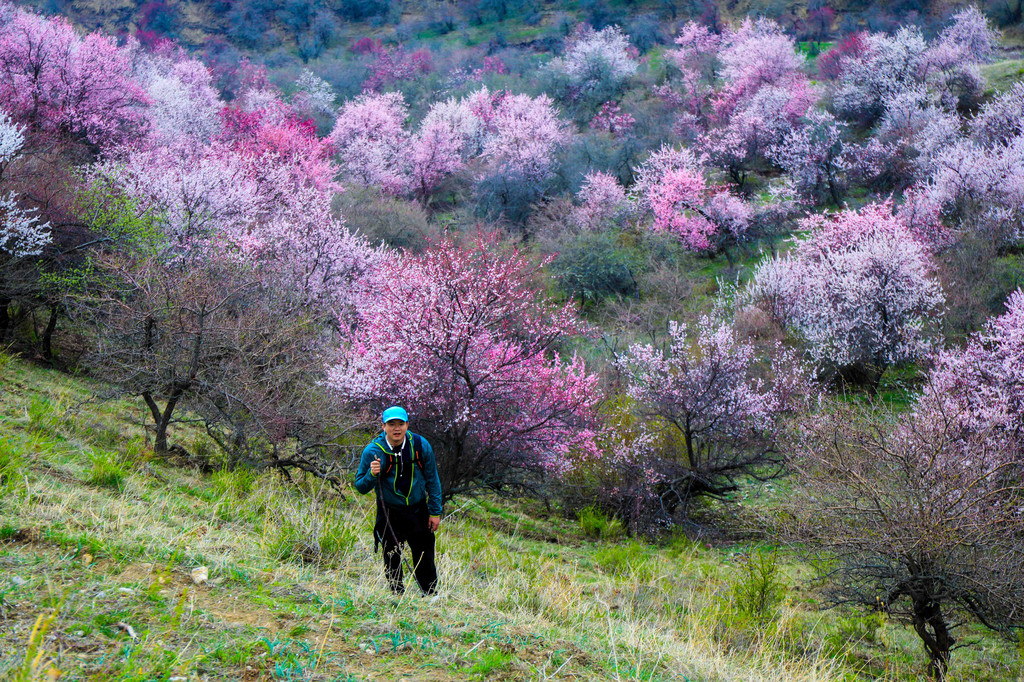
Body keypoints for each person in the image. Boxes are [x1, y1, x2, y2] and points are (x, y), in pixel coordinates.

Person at [355, 406, 443, 595]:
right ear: (383, 426)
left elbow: (432, 479)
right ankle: (397, 593)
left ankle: (429, 595)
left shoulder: (420, 445)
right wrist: (372, 474)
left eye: (401, 424)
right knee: (391, 554)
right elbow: (360, 486)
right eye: (391, 424)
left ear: (407, 425)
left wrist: (435, 511)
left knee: (424, 553)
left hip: (418, 510)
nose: (397, 429)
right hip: (389, 512)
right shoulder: (373, 451)